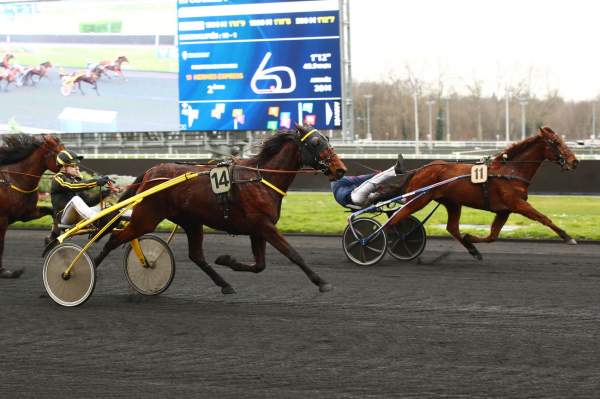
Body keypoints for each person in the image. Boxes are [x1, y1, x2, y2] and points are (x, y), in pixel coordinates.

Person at [45, 150, 111, 244]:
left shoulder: (75, 181)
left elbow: (88, 202)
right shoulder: (58, 178)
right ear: (63, 167)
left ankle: (110, 220)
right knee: (76, 199)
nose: (77, 168)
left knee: (103, 207)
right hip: (64, 217)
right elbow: (72, 186)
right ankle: (95, 220)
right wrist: (96, 182)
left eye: (77, 165)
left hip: (77, 216)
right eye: (73, 166)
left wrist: (105, 193)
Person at [331, 154, 406, 208]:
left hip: (359, 202)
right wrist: (375, 174)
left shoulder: (336, 187)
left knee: (381, 194)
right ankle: (396, 169)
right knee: (373, 181)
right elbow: (359, 179)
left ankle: (404, 200)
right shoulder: (337, 180)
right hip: (356, 197)